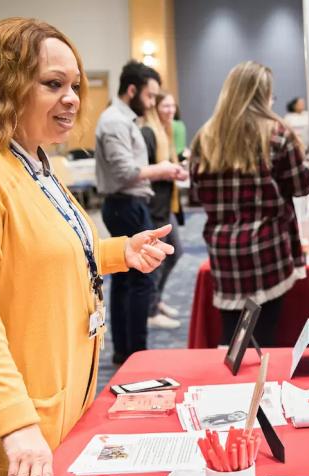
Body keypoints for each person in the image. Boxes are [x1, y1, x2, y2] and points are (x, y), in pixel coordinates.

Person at [0, 18, 175, 476]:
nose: (72, 99)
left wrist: (118, 252)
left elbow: (48, 251)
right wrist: (16, 426)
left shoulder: (34, 160)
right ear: (5, 84)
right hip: (8, 425)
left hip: (54, 403)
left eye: (75, 85)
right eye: (52, 84)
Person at [190, 61, 309, 347]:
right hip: (267, 250)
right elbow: (302, 186)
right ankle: (258, 389)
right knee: (264, 333)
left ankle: (231, 387)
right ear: (264, 94)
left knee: (232, 336)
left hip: (223, 250)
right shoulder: (278, 134)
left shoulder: (205, 137)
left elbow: (197, 195)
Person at [95, 61, 187, 365]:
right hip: (125, 204)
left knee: (126, 279)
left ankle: (126, 352)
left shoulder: (125, 120)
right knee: (142, 278)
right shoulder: (114, 122)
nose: (152, 104)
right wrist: (161, 170)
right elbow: (124, 172)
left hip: (128, 204)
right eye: (149, 96)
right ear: (132, 90)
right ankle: (135, 353)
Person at [141, 93, 185, 329]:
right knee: (157, 259)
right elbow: (144, 170)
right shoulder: (149, 132)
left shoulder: (166, 131)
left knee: (175, 253)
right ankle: (150, 309)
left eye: (172, 105)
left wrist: (176, 171)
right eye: (164, 105)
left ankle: (155, 301)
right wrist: (168, 171)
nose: (169, 109)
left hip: (167, 204)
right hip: (155, 206)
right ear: (156, 108)